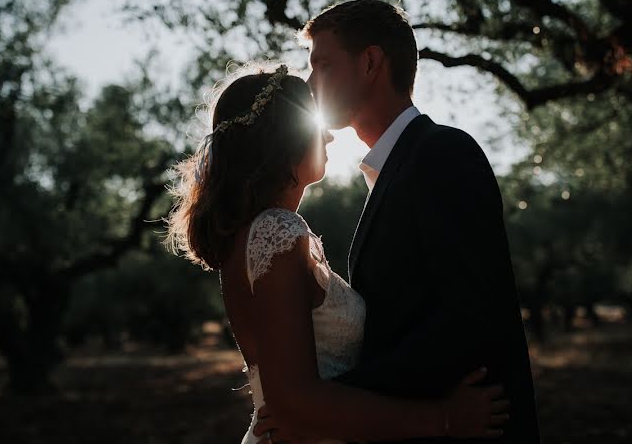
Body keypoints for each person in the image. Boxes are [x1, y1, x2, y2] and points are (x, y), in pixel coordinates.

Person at [168, 62, 509, 443]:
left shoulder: (253, 233)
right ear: (285, 138)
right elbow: (295, 401)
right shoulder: (275, 231)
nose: (329, 137)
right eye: (316, 125)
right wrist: (443, 420)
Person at [256, 0, 541, 444]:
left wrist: (323, 402)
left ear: (370, 62)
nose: (310, 84)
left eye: (323, 65)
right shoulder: (394, 168)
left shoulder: (443, 154)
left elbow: (468, 316)